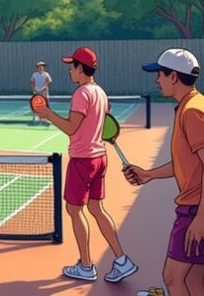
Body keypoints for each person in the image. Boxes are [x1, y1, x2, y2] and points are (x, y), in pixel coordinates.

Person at [123, 49, 204, 296]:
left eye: (160, 73)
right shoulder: (189, 106)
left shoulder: (193, 112)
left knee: (173, 278)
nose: (156, 79)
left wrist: (201, 217)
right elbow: (185, 164)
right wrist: (148, 175)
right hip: (194, 208)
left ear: (174, 77)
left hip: (194, 211)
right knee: (196, 284)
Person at [34, 47, 137, 283]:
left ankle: (86, 266)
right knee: (97, 209)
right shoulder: (100, 92)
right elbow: (102, 120)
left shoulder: (81, 94)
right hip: (100, 158)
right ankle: (122, 260)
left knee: (74, 210)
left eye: (72, 67)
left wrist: (48, 114)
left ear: (81, 69)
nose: (70, 71)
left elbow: (72, 129)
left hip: (83, 160)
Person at [31, 61, 52, 125]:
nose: (41, 68)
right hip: (37, 92)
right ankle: (36, 118)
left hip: (44, 93)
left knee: (46, 106)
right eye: (39, 67)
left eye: (42, 67)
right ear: (37, 68)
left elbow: (50, 81)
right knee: (36, 106)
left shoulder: (46, 74)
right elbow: (32, 82)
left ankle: (46, 119)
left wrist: (44, 87)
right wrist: (34, 90)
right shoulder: (34, 74)